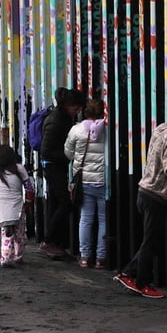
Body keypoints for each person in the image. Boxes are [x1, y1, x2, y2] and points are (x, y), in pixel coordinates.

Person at [114, 110, 167, 298]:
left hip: (144, 191)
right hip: (157, 195)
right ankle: (141, 282)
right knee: (151, 242)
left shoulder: (161, 129)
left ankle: (129, 273)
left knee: (152, 241)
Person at [39, 86, 86, 258]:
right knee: (66, 204)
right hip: (52, 166)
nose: (78, 110)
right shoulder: (57, 120)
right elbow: (46, 151)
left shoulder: (63, 117)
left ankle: (55, 244)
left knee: (55, 203)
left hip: (54, 166)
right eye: (77, 107)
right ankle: (48, 241)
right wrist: (68, 156)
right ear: (68, 104)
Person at [64, 98, 108, 269]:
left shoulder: (76, 130)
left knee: (86, 219)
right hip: (103, 181)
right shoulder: (107, 130)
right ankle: (100, 259)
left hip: (84, 181)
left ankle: (84, 257)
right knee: (103, 220)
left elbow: (68, 153)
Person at [0, 144, 35, 268]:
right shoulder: (19, 168)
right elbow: (29, 188)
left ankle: (5, 258)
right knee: (20, 233)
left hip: (2, 205)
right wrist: (28, 202)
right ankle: (18, 255)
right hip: (16, 205)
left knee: (5, 235)